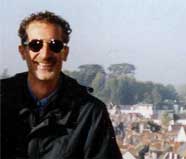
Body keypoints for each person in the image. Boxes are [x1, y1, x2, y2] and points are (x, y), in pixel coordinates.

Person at [0, 11, 122, 159]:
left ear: (65, 52)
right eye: (35, 45)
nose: (45, 54)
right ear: (23, 52)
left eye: (55, 45)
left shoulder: (91, 113)